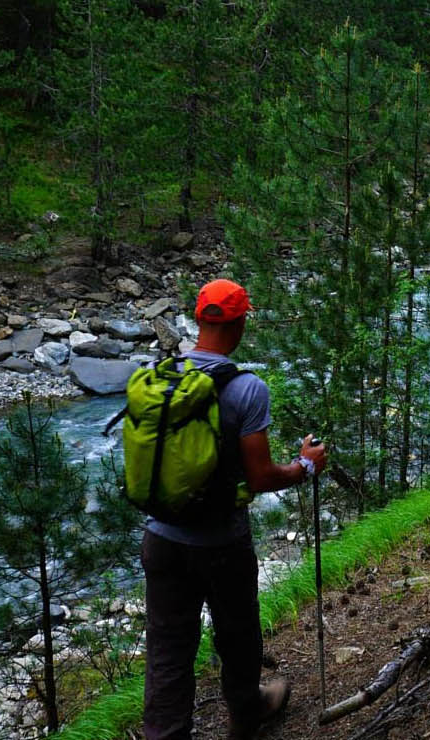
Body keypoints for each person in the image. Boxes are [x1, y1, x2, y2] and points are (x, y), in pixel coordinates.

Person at [142, 278, 327, 740]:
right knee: (238, 634)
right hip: (221, 541)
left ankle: (165, 734)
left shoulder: (159, 376)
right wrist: (304, 466)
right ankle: (246, 715)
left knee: (168, 649)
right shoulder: (247, 389)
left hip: (160, 536)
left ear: (197, 318)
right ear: (241, 323)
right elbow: (260, 477)